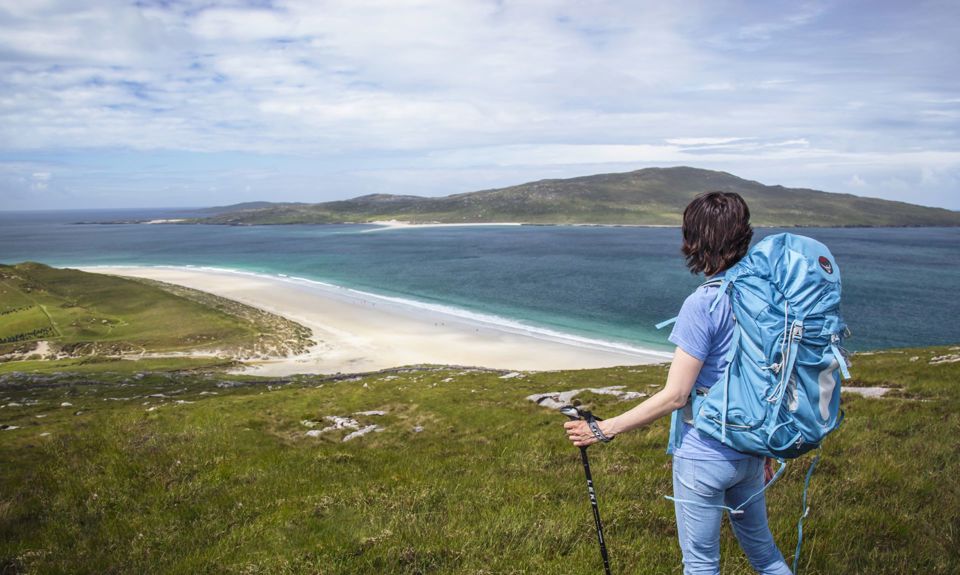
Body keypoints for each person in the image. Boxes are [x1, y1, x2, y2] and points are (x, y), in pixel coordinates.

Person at [564, 191, 791, 575]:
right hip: (752, 449)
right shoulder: (766, 297)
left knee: (701, 565)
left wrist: (605, 429)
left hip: (704, 453)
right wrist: (766, 450)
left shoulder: (703, 304)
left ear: (696, 240)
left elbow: (676, 395)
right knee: (765, 555)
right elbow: (767, 376)